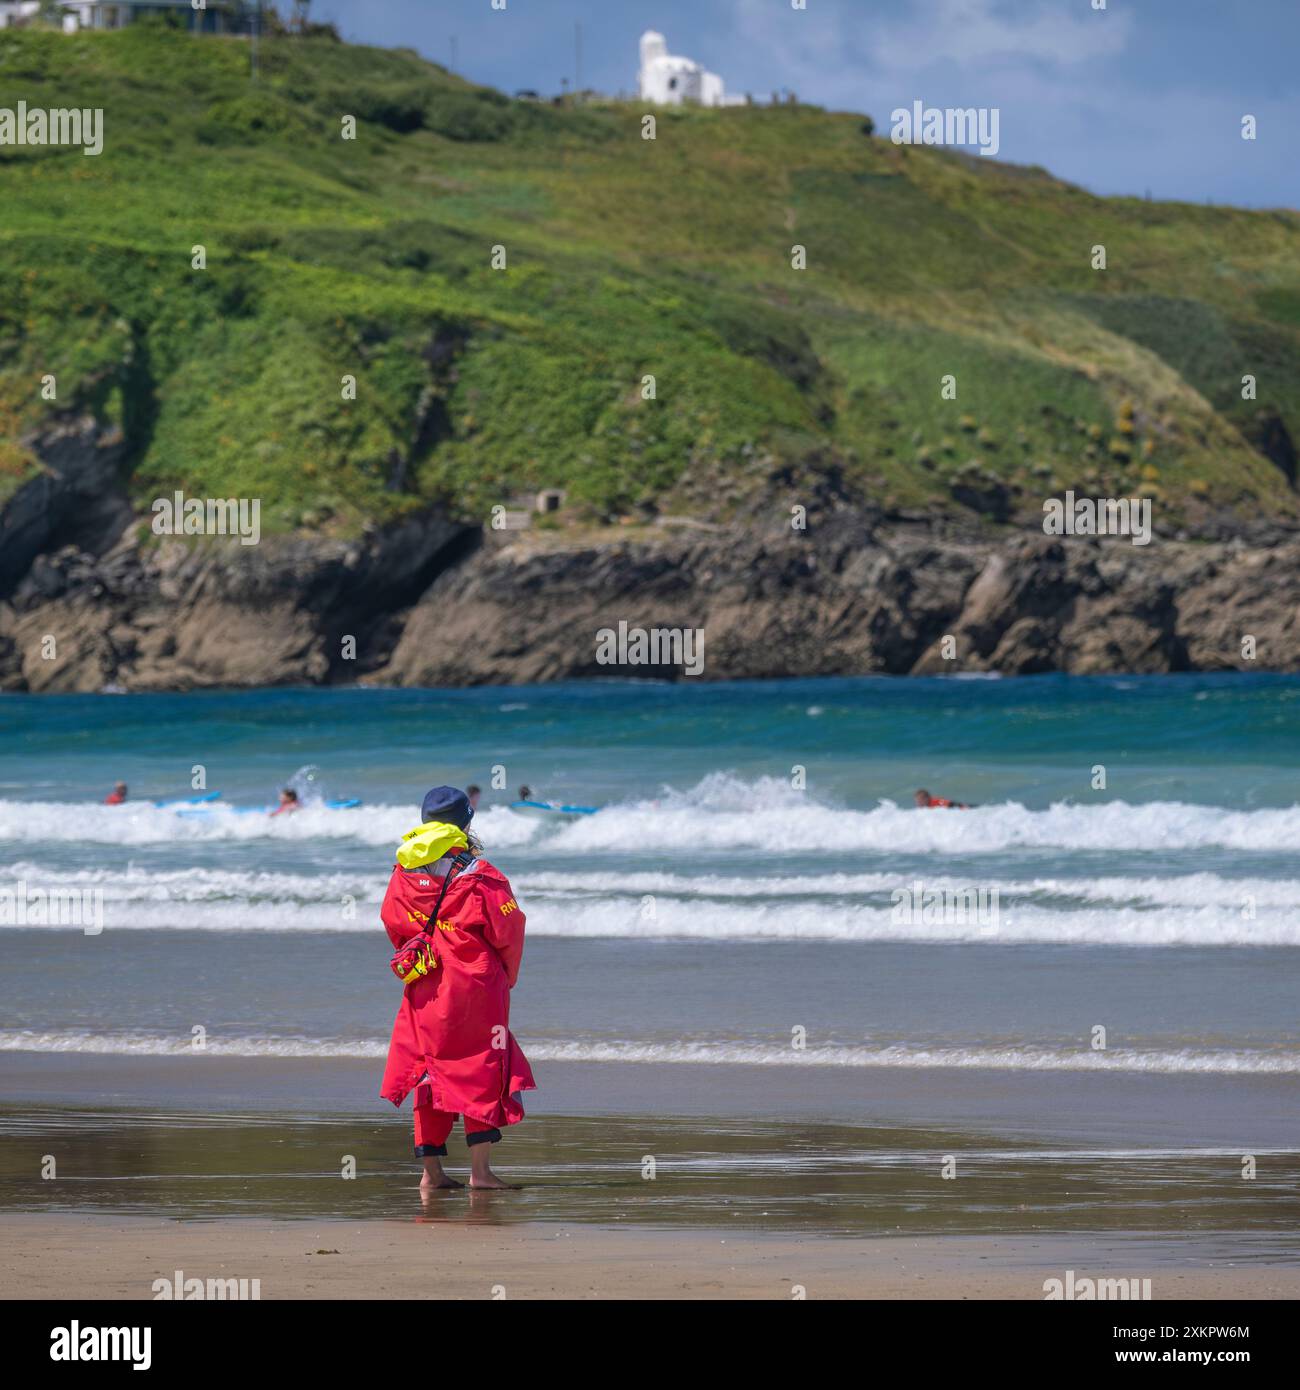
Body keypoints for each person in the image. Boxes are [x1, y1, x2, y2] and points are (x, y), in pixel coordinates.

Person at [380, 785, 534, 1191]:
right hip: (475, 984)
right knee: (481, 1067)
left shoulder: (403, 871)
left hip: (424, 982)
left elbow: (393, 922)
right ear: (466, 823)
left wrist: (421, 950)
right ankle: (480, 1173)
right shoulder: (481, 873)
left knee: (428, 1069)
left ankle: (430, 1174)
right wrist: (507, 975)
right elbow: (509, 930)